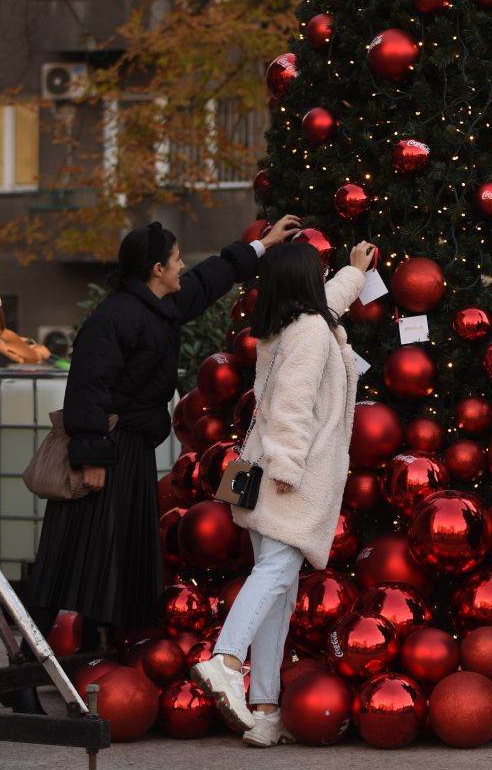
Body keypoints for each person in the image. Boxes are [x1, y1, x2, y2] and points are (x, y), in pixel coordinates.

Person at [26, 215, 301, 654]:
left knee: (119, 562)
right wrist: (92, 456)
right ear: (156, 269)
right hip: (107, 451)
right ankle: (27, 667)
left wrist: (262, 246)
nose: (179, 267)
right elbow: (87, 386)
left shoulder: (160, 304)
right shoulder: (115, 317)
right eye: (174, 260)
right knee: (71, 561)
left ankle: (98, 660)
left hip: (130, 450)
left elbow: (209, 278)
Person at [193, 237, 375, 746]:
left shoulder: (287, 328)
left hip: (259, 471)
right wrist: (289, 470)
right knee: (276, 573)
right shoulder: (312, 334)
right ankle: (226, 660)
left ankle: (266, 706)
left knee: (279, 588)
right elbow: (293, 408)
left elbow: (329, 304)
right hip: (285, 475)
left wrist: (354, 272)